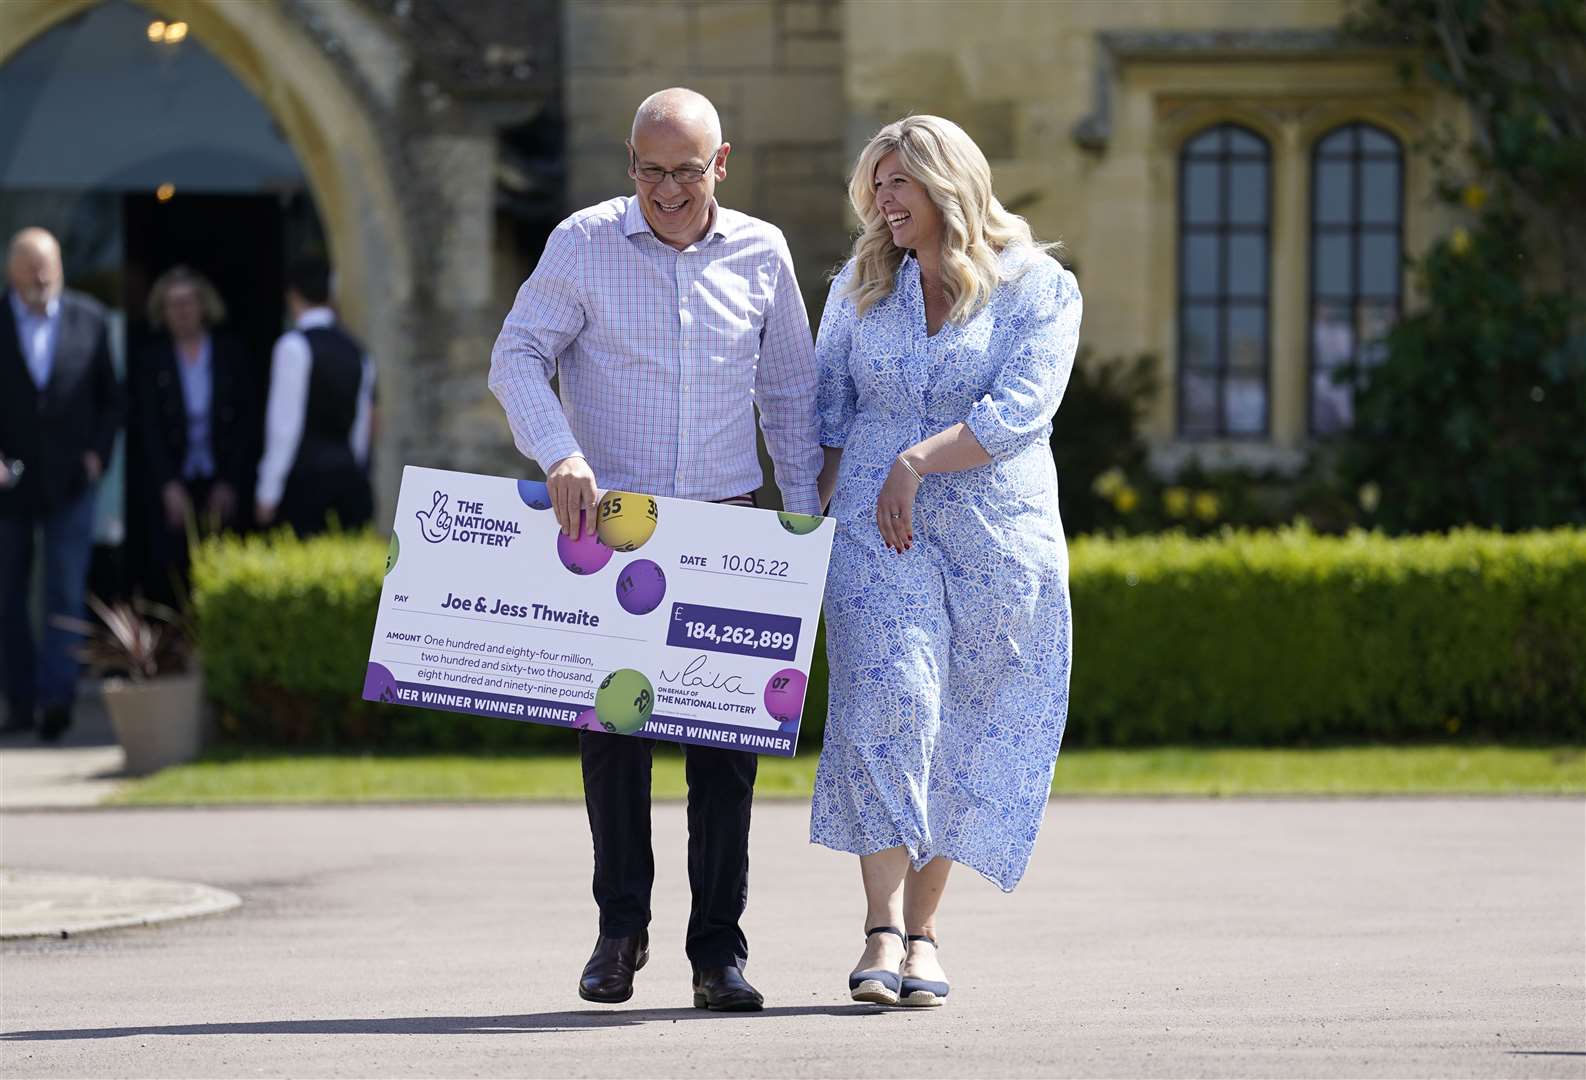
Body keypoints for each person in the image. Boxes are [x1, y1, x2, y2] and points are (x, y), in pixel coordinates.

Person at [488, 87, 820, 1011]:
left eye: (685, 170)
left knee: (724, 753)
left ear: (723, 164)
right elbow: (516, 355)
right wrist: (560, 452)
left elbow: (791, 394)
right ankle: (617, 934)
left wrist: (800, 524)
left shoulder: (763, 252)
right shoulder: (584, 242)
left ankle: (718, 951)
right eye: (649, 170)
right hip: (615, 527)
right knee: (616, 737)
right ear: (628, 163)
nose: (666, 189)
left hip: (729, 525)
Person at [809, 116, 1083, 1007]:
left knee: (965, 726)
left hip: (998, 537)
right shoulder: (859, 285)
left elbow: (1019, 412)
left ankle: (924, 933)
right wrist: (801, 532)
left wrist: (918, 459)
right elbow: (826, 414)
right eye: (875, 185)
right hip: (876, 530)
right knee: (892, 699)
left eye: (899, 183)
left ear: (948, 185)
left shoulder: (1039, 288)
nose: (883, 201)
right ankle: (880, 929)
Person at [0, 227, 125, 741]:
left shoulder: (89, 319)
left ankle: (58, 701)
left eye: (49, 265)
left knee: (64, 593)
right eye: (31, 267)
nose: (42, 276)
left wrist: (98, 454)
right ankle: (22, 702)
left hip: (72, 481)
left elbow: (111, 399)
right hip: (8, 484)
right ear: (12, 271)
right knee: (7, 596)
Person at [134, 265, 256, 602]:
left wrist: (230, 481)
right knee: (171, 570)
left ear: (204, 306)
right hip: (173, 477)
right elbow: (148, 427)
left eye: (189, 302)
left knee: (224, 565)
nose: (182, 311)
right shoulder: (152, 360)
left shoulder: (230, 353)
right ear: (162, 311)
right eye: (173, 304)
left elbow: (246, 423)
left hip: (219, 474)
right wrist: (167, 484)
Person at [255, 256, 375, 537]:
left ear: (293, 297)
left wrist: (267, 492)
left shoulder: (292, 346)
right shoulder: (357, 351)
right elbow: (360, 430)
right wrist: (351, 472)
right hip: (349, 484)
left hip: (304, 487)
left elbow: (285, 428)